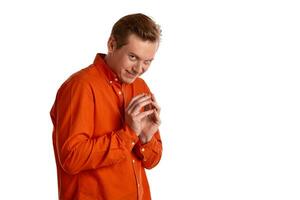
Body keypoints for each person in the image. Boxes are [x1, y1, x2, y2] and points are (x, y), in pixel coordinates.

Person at [50, 13, 163, 200]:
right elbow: (71, 158)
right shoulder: (80, 86)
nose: (139, 69)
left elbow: (152, 161)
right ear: (112, 45)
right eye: (133, 57)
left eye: (147, 61)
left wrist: (146, 138)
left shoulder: (140, 87)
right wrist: (128, 134)